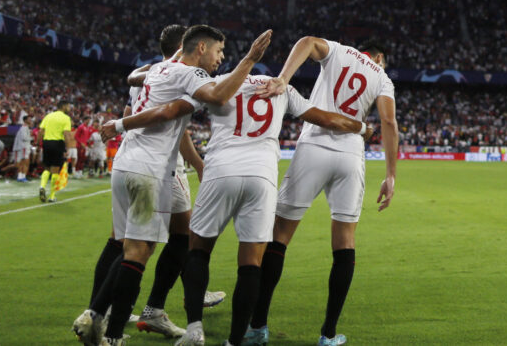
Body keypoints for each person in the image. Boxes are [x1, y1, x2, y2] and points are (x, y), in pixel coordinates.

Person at [106, 68, 370, 346]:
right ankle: (236, 339)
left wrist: (123, 120)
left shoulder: (217, 84)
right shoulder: (281, 88)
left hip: (221, 170)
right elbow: (326, 119)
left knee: (198, 249)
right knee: (251, 262)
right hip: (261, 176)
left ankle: (195, 328)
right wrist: (362, 128)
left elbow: (172, 109)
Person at [74, 25, 272, 346]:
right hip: (150, 169)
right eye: (219, 52)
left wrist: (121, 123)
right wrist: (250, 59)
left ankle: (95, 314)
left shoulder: (157, 69)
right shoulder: (188, 76)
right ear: (202, 48)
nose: (221, 59)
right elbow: (206, 99)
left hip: (125, 162)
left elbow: (137, 82)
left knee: (127, 244)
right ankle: (110, 335)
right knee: (138, 252)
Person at [247, 37, 399, 346]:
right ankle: (328, 335)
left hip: (314, 145)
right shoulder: (382, 77)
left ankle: (258, 326)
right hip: (351, 156)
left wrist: (283, 78)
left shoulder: (340, 50)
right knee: (345, 241)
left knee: (280, 236)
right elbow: (388, 121)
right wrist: (391, 175)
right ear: (379, 55)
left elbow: (306, 42)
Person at [38, 101, 73, 203]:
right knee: (55, 170)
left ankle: (42, 186)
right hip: (57, 143)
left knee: (47, 168)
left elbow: (41, 131)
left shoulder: (48, 116)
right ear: (63, 106)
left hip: (46, 143)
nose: (69, 108)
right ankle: (52, 196)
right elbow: (66, 134)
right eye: (68, 106)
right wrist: (68, 148)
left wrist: (37, 144)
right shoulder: (66, 118)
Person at [12, 117, 33, 182]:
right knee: (24, 162)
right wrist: (32, 138)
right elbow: (24, 138)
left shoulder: (25, 128)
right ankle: (21, 177)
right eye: (29, 119)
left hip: (24, 147)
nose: (31, 120)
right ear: (25, 120)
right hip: (23, 147)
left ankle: (21, 177)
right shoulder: (24, 127)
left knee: (23, 163)